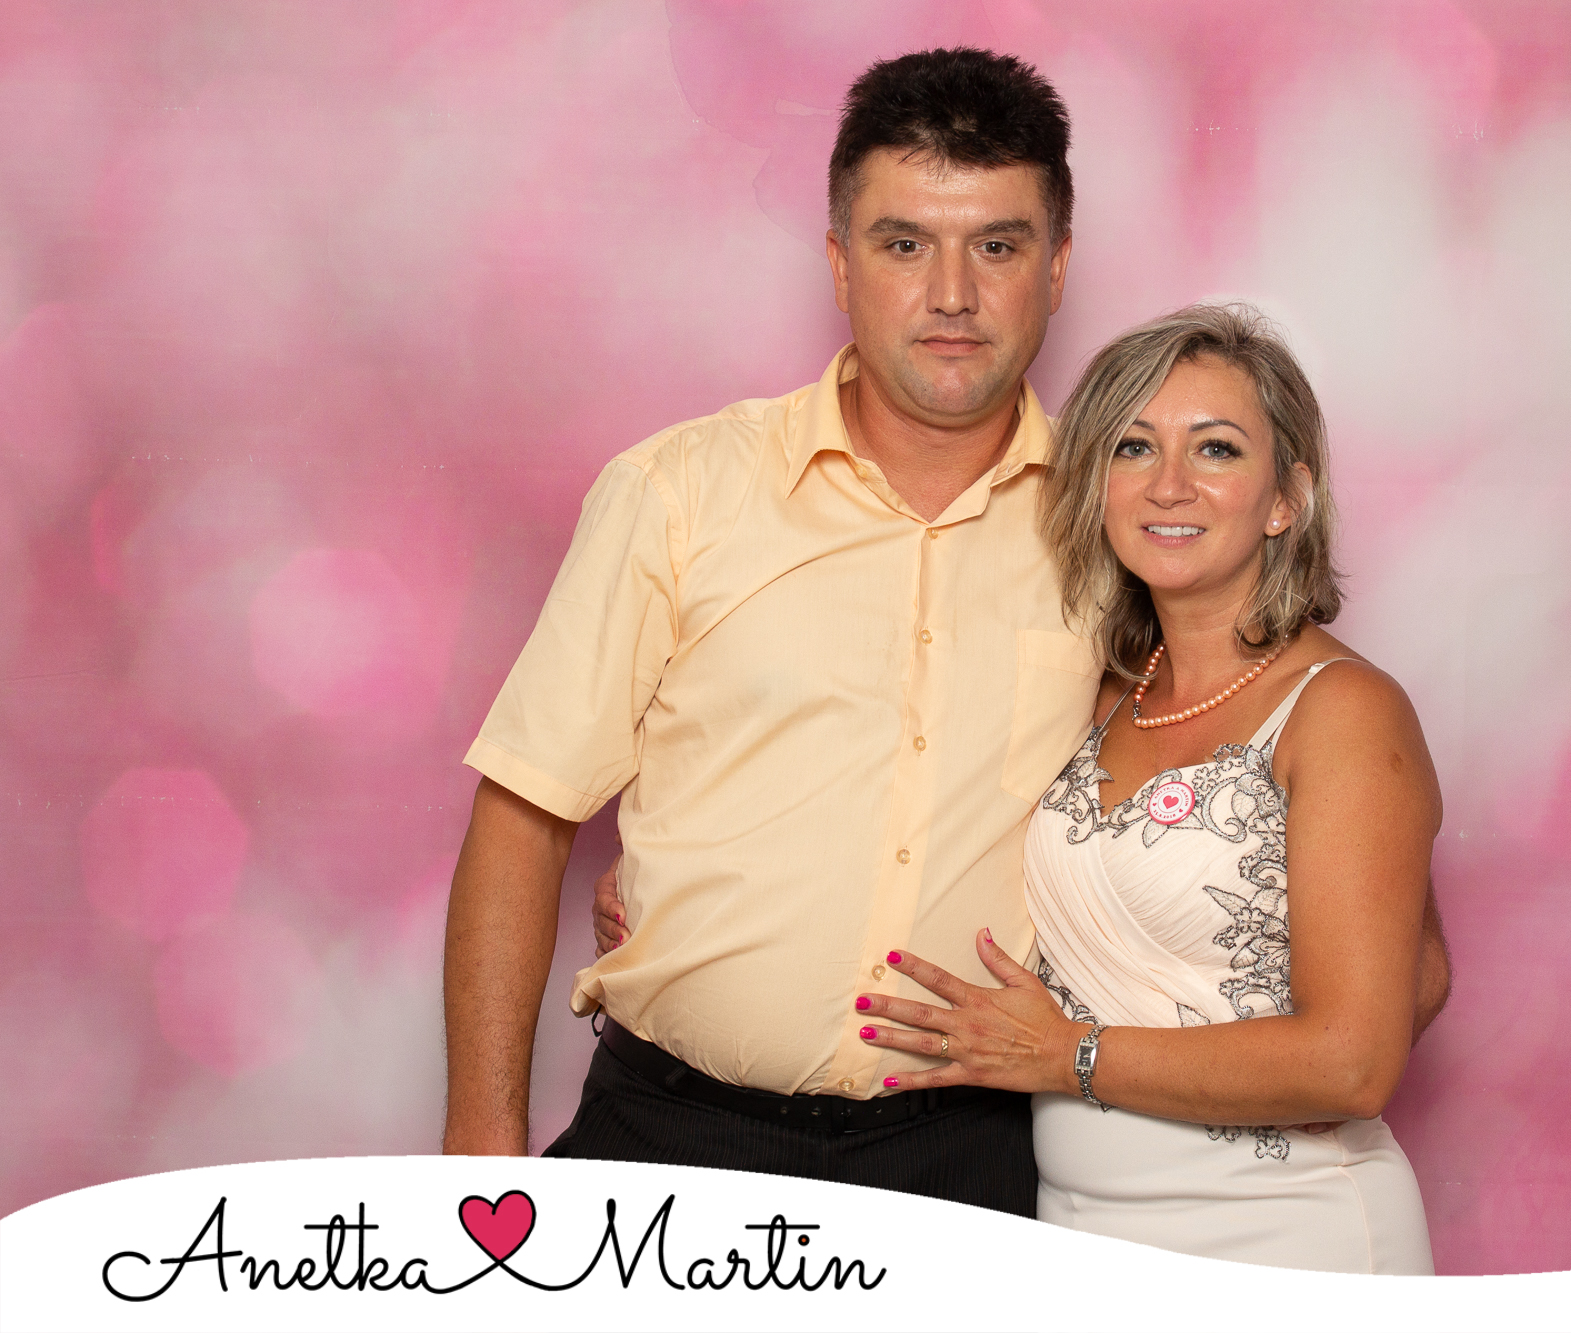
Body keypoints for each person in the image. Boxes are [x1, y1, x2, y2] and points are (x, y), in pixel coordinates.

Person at [448, 45, 1448, 1221]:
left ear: (1057, 266)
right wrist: (481, 1158)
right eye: (904, 244)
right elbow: (524, 814)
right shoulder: (679, 493)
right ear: (839, 262)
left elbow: (1296, 802)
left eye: (998, 246)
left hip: (969, 1162)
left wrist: (1273, 1012)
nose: (952, 295)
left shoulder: (1121, 522)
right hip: (672, 1128)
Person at [831, 304, 1440, 1272]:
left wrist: (1066, 1053)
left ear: (1286, 498)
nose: (1169, 484)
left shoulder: (1342, 710)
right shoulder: (1101, 692)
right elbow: (923, 792)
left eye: (1216, 448)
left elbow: (1355, 1061)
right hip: (1081, 1224)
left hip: (1286, 1231)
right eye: (1133, 446)